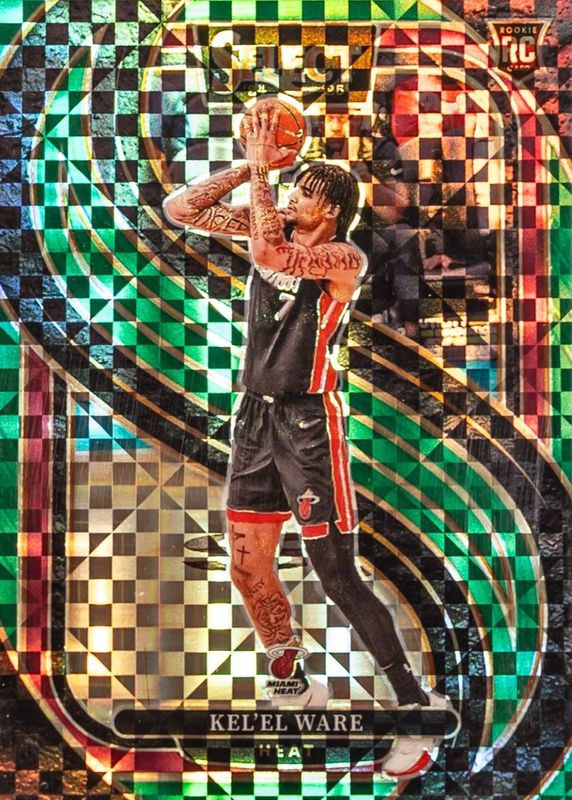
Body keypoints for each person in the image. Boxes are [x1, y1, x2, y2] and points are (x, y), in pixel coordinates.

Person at [163, 103, 454, 779]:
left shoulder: (342, 257)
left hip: (309, 425)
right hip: (254, 419)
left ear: (330, 208)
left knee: (336, 574)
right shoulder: (272, 220)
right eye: (291, 188)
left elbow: (270, 253)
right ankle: (292, 680)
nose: (292, 197)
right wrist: (250, 167)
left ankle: (415, 704)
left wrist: (263, 176)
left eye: (304, 192)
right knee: (246, 566)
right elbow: (182, 208)